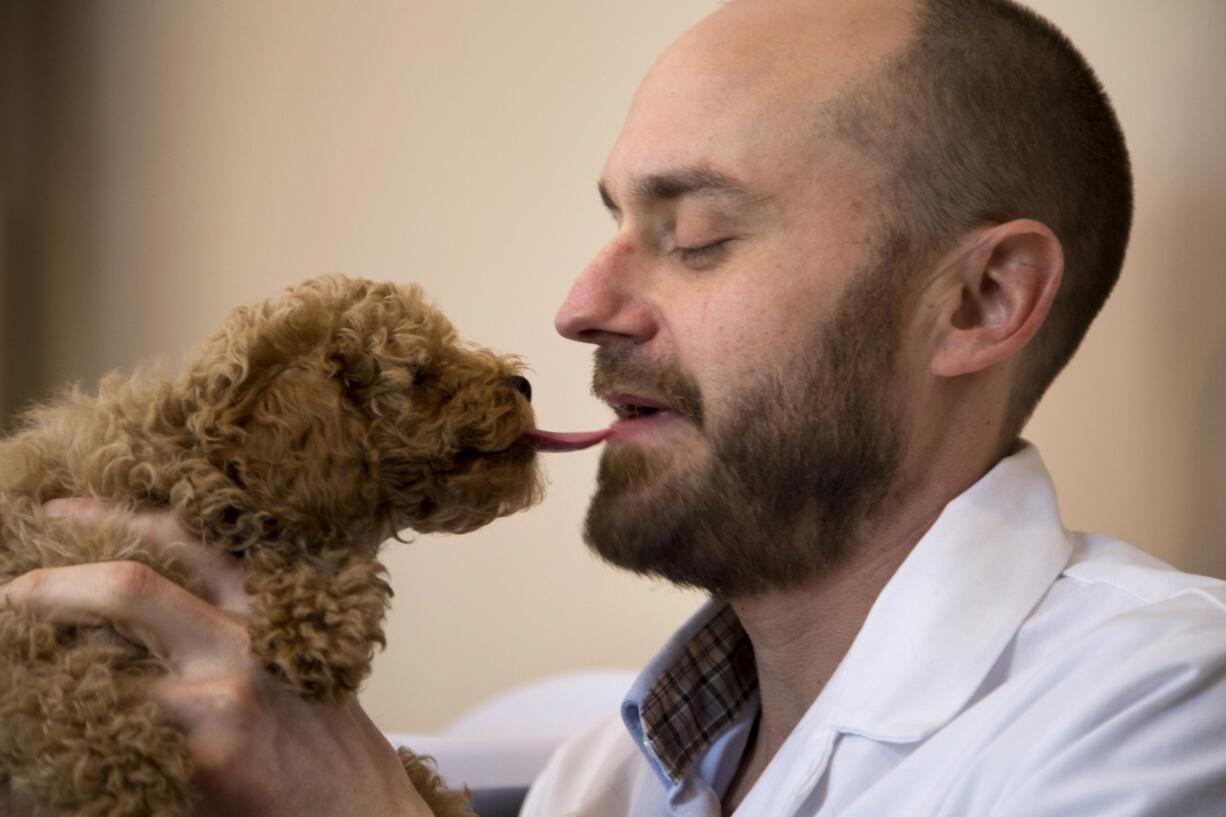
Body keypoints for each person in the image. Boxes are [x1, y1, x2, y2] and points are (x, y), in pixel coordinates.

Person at [2, 0, 1224, 815]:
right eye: (611, 224)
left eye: (694, 235)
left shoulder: (1162, 704)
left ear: (978, 300)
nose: (580, 305)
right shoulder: (600, 769)